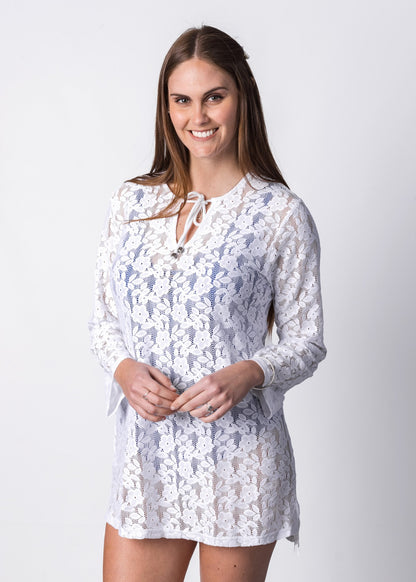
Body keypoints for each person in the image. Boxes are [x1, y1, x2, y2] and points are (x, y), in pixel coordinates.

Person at [89, 24, 327, 582]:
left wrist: (248, 372)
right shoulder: (131, 203)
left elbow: (307, 341)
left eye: (214, 97)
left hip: (241, 458)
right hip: (149, 457)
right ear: (166, 107)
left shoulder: (280, 214)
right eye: (182, 100)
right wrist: (124, 370)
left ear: (242, 97)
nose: (197, 116)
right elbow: (103, 319)